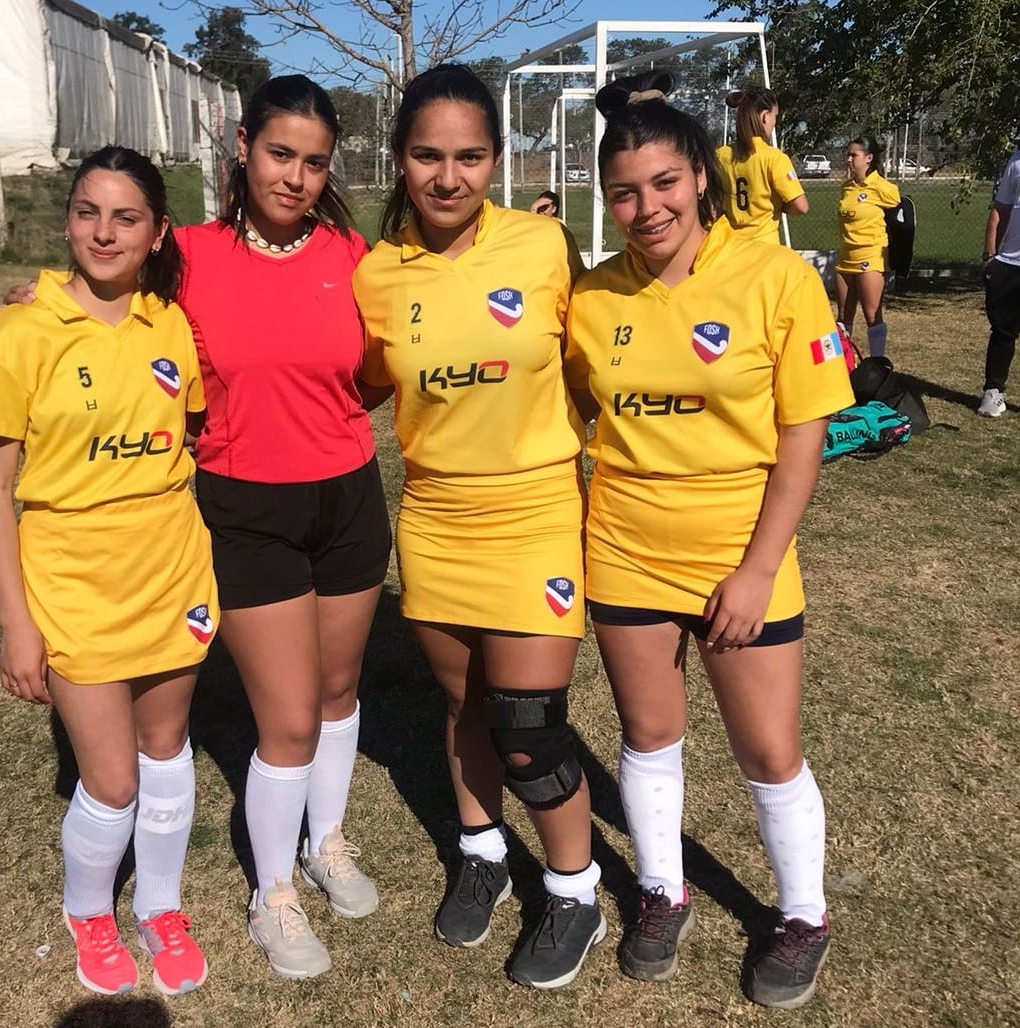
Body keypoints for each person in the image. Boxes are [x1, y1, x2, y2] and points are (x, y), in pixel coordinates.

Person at [1, 76, 391, 981]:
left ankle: (327, 844)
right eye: (279, 154)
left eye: (314, 162)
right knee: (287, 717)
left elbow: (374, 368)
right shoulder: (193, 255)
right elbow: (107, 290)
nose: (294, 176)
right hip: (243, 505)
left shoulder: (349, 249)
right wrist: (37, 295)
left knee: (338, 692)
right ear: (244, 149)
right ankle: (273, 895)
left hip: (349, 495)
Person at [563, 72, 854, 1010]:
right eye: (623, 192)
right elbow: (572, 406)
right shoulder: (594, 297)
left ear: (700, 175)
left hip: (742, 555)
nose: (645, 207)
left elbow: (805, 429)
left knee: (768, 749)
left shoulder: (775, 277)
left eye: (663, 183)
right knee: (649, 736)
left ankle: (801, 913)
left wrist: (759, 568)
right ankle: (660, 890)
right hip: (623, 550)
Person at [353, 64, 604, 991]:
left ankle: (575, 892)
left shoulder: (543, 246)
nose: (448, 177)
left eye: (469, 156)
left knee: (531, 727)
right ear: (400, 159)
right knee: (462, 709)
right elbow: (347, 374)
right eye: (427, 156)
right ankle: (484, 852)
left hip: (537, 512)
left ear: (498, 160)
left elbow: (613, 331)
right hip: (436, 518)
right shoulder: (377, 275)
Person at [0, 146, 217, 998]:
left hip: (171, 571)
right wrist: (16, 622)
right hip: (72, 585)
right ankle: (89, 910)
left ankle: (160, 903)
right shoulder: (16, 332)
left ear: (156, 234)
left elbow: (187, 431)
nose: (102, 232)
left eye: (125, 217)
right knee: (109, 781)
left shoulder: (170, 324)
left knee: (166, 749)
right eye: (86, 211)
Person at [978, 104, 1020, 418]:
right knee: (1003, 332)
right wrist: (989, 256)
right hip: (1014, 264)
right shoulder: (1019, 161)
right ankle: (993, 392)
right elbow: (1000, 211)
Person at [835, 135, 900, 357]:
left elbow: (900, 218)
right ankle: (842, 366)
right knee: (842, 317)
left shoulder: (883, 188)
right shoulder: (846, 188)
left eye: (854, 155)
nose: (849, 159)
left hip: (870, 258)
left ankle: (878, 365)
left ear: (869, 158)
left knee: (872, 315)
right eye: (848, 155)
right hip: (845, 258)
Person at [716, 86, 808, 242]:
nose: (774, 123)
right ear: (765, 116)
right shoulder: (774, 157)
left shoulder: (721, 155)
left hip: (731, 247)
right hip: (765, 247)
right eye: (775, 116)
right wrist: (780, 207)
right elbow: (801, 206)